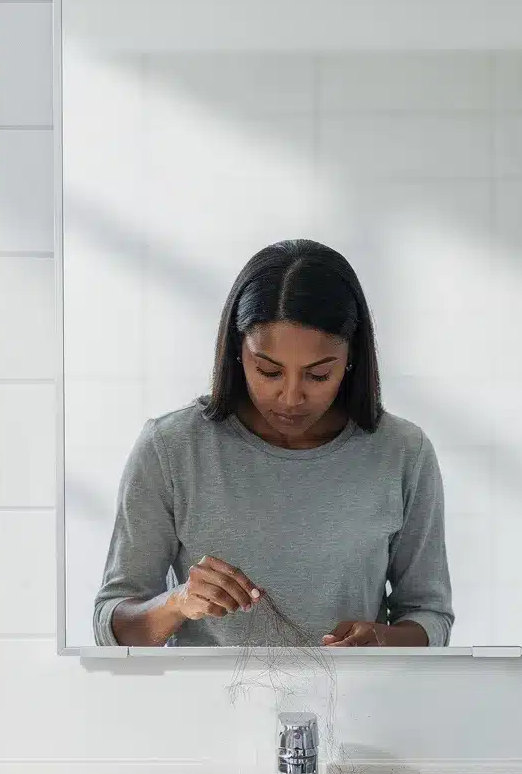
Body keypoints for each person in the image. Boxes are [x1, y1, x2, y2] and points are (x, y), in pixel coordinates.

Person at [95, 239, 452, 648]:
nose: (291, 397)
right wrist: (178, 603)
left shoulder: (404, 452)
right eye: (268, 371)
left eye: (319, 375)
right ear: (237, 353)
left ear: (351, 359)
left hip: (359, 709)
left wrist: (382, 640)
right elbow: (111, 623)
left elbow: (431, 615)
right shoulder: (172, 448)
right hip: (202, 708)